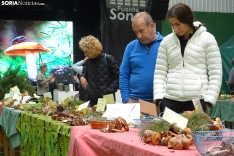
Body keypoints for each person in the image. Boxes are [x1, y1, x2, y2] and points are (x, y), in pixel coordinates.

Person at [153, 3, 222, 113]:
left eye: (178, 24)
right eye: (172, 25)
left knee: (196, 131)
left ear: (188, 21)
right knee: (167, 131)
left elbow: (216, 73)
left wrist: (208, 102)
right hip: (170, 100)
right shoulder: (166, 42)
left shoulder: (208, 39)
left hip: (198, 101)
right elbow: (159, 73)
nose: (175, 29)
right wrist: (159, 99)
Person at [119, 12, 164, 103]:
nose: (139, 35)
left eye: (141, 31)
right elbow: (124, 75)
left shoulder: (165, 44)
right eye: (136, 32)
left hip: (159, 101)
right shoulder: (130, 47)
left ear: (151, 26)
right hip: (134, 100)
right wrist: (126, 100)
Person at [79, 35, 119, 106]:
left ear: (92, 50)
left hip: (107, 98)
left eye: (86, 51)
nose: (85, 54)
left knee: (106, 116)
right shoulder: (88, 61)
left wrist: (108, 91)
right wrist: (82, 77)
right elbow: (85, 74)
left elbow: (118, 77)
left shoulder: (108, 59)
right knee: (91, 116)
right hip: (92, 99)